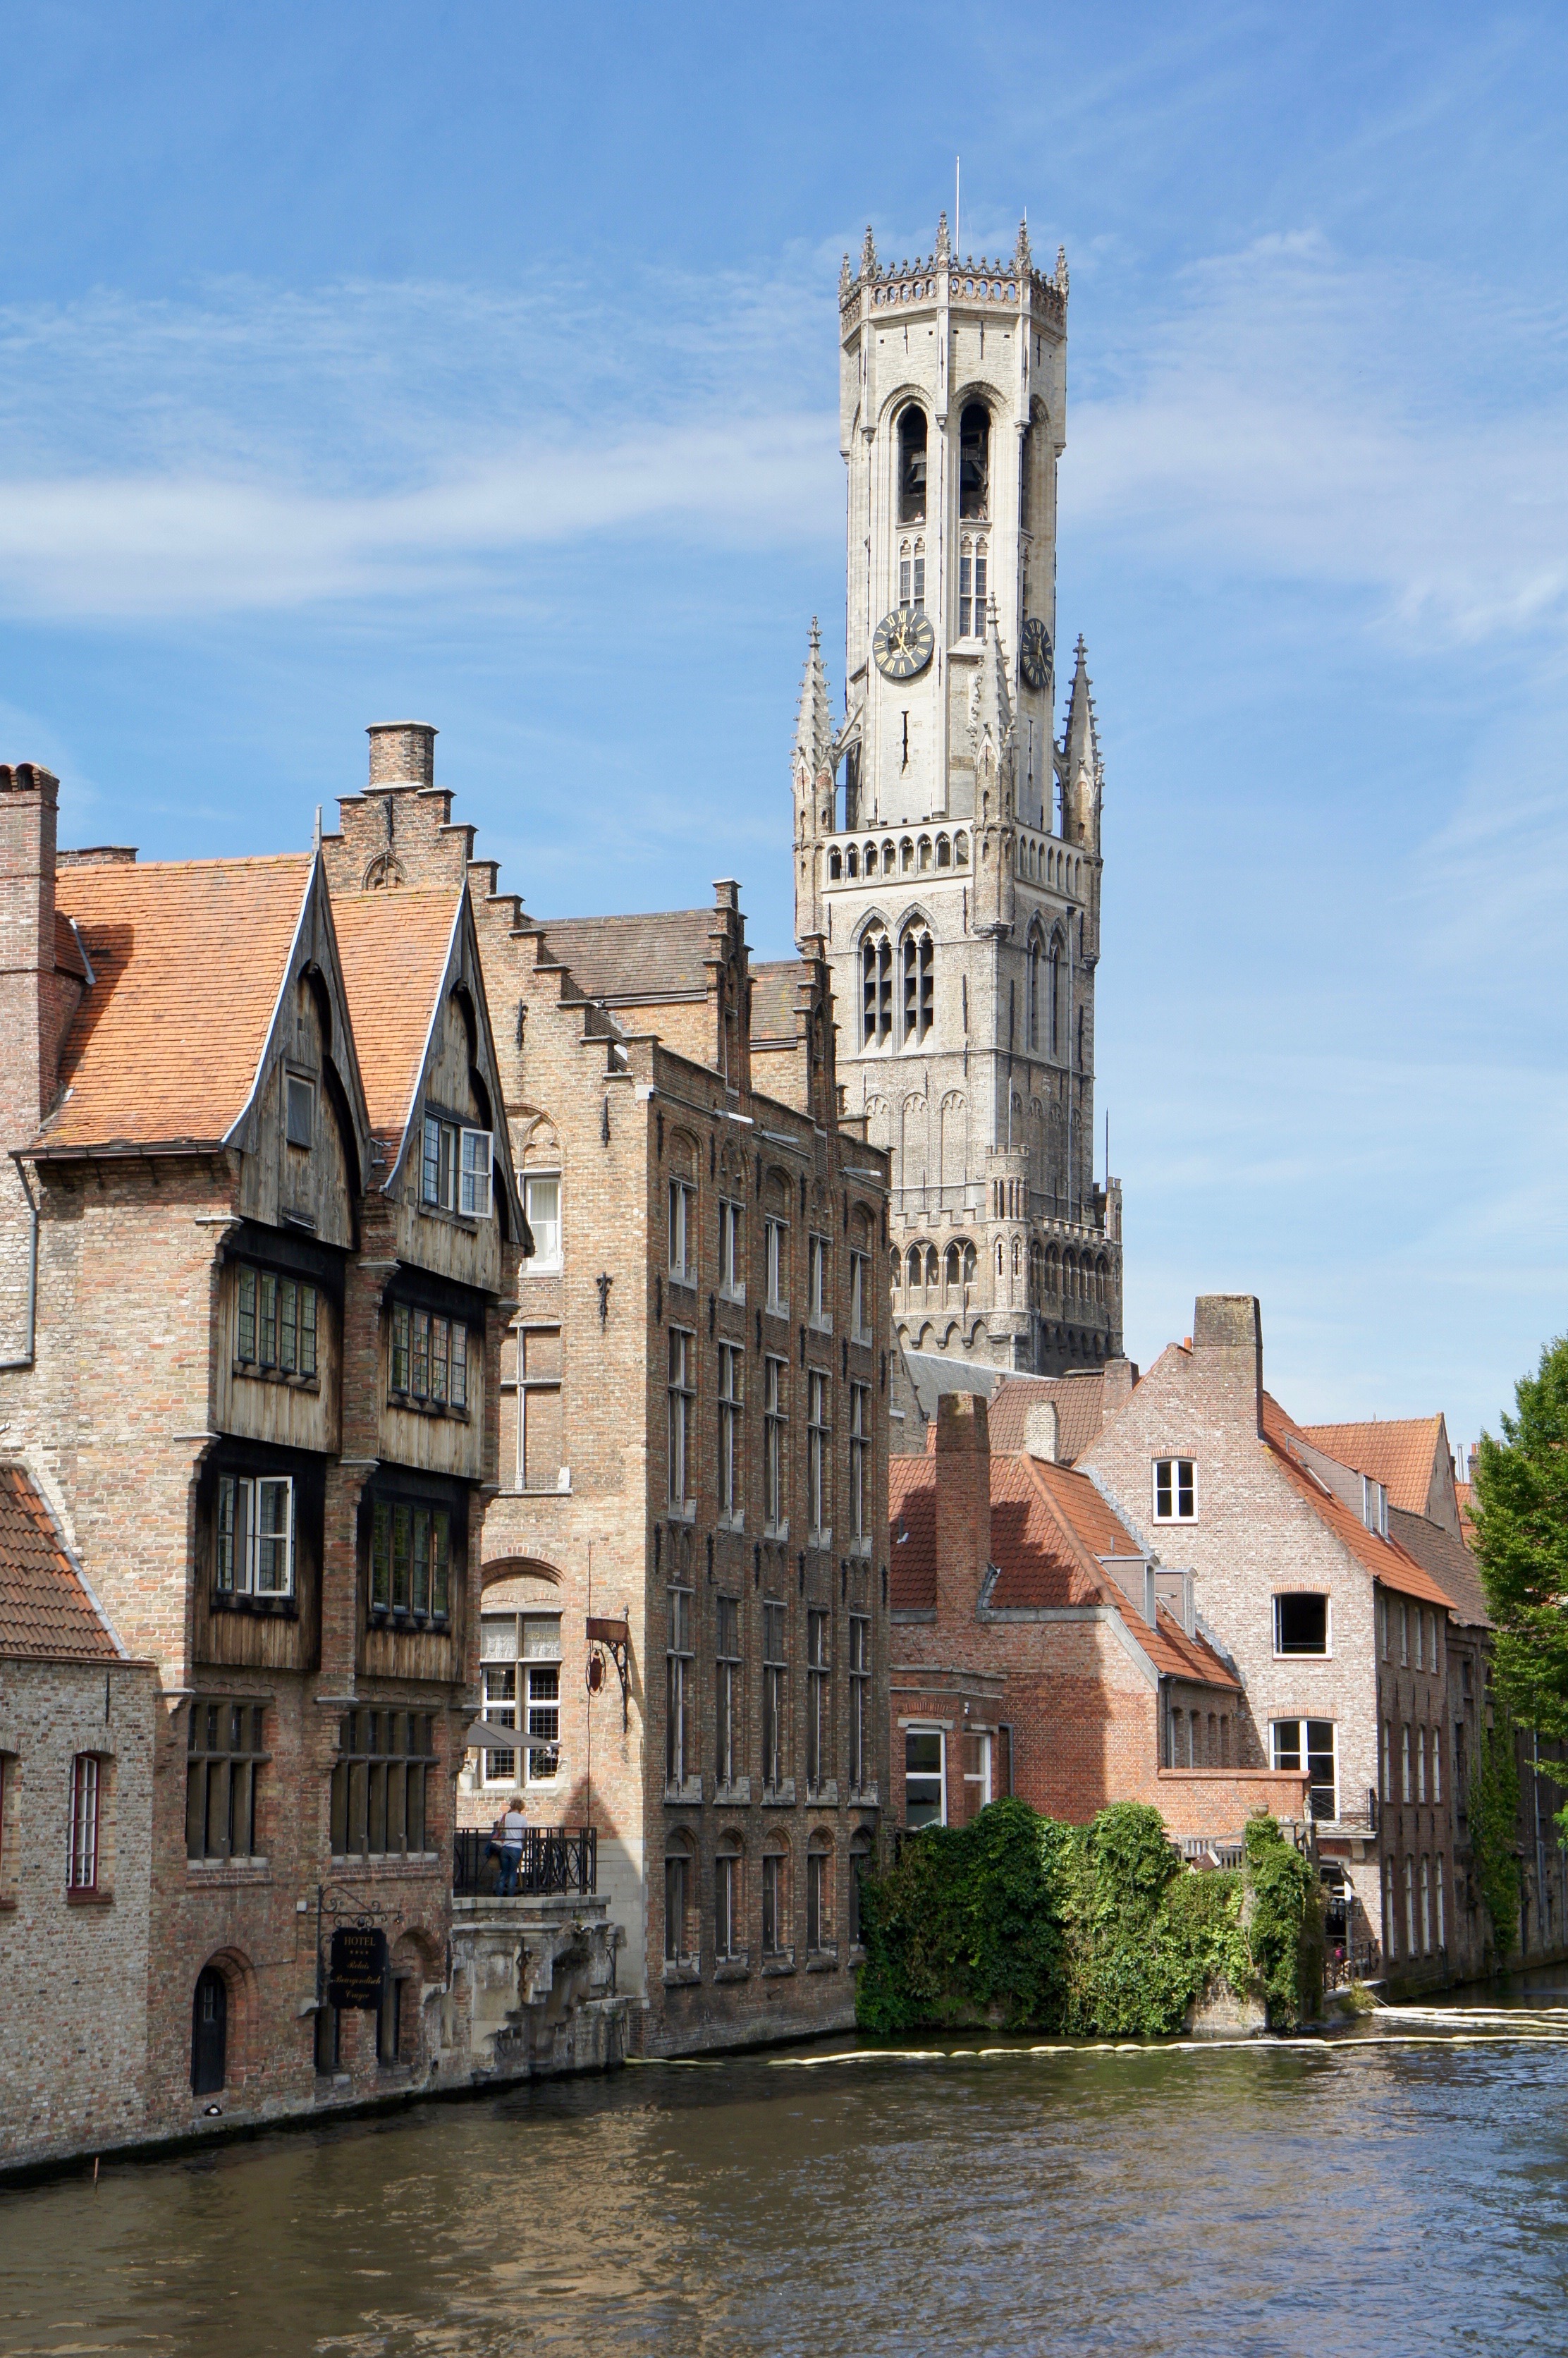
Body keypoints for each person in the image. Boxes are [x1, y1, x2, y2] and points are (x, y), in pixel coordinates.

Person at [496, 1792, 527, 1894]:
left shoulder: (505, 1816)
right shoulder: (522, 1819)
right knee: (513, 1873)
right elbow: (524, 1835)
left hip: (505, 1847)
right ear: (521, 1807)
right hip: (516, 1847)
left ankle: (499, 1894)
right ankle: (510, 1895)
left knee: (504, 1872)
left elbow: (499, 1831)